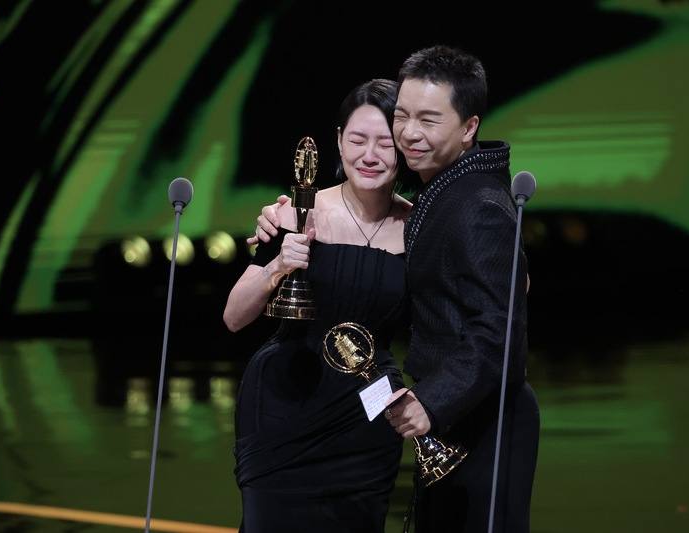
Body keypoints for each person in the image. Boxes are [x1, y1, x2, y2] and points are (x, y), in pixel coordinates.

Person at [223, 78, 413, 533]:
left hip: (369, 413)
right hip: (283, 405)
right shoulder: (294, 213)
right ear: (338, 142)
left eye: (385, 143)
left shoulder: (419, 227)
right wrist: (276, 269)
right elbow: (233, 316)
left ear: (404, 147)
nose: (370, 155)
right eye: (357, 139)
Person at [383, 45, 539, 533]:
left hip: (484, 421)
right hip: (455, 417)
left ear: (468, 128)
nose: (409, 132)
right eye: (402, 115)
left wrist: (432, 401)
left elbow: (500, 332)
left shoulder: (478, 205)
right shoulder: (445, 190)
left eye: (429, 120)